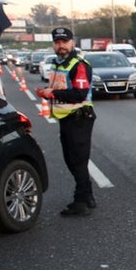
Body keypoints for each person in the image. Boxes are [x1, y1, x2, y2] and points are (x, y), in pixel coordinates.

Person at [35, 27, 97, 216]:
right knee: (72, 160)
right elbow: (61, 86)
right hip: (66, 118)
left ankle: (81, 202)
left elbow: (79, 93)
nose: (60, 45)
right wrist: (48, 90)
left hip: (79, 118)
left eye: (64, 42)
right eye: (57, 42)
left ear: (72, 43)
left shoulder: (78, 65)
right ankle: (87, 196)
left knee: (77, 161)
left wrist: (51, 93)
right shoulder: (57, 63)